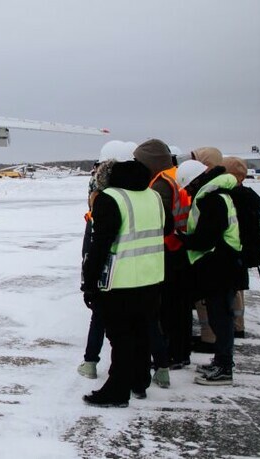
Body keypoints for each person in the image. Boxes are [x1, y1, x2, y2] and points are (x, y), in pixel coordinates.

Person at [81, 160, 168, 407]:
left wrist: (89, 282)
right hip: (151, 277)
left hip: (120, 281)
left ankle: (117, 391)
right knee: (141, 333)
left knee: (120, 337)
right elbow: (167, 226)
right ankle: (139, 382)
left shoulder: (110, 199)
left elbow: (99, 245)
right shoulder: (153, 197)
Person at [175, 160, 245, 386]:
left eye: (187, 187)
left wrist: (182, 239)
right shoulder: (216, 195)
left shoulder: (213, 200)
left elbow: (206, 239)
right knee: (219, 316)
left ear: (195, 181)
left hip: (221, 267)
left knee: (220, 318)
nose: (187, 191)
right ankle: (221, 361)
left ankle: (224, 367)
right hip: (222, 265)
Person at [132, 139, 191, 389]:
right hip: (182, 245)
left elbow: (161, 220)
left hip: (169, 248)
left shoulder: (160, 184)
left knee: (168, 306)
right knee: (180, 305)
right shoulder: (177, 176)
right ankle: (180, 352)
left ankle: (171, 353)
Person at [78, 140, 135, 380]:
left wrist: (88, 278)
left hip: (109, 263)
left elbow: (98, 238)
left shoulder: (105, 194)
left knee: (101, 317)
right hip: (138, 268)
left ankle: (91, 362)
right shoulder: (142, 192)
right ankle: (155, 368)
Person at [189, 147, 224, 353]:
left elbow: (208, 233)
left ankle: (212, 341)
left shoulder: (212, 195)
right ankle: (218, 338)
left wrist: (188, 241)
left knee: (211, 304)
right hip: (218, 257)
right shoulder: (219, 188)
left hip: (210, 257)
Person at [220, 156, 253, 339]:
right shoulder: (247, 194)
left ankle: (235, 326)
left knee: (232, 292)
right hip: (242, 248)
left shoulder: (232, 195)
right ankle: (238, 325)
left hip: (233, 248)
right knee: (237, 290)